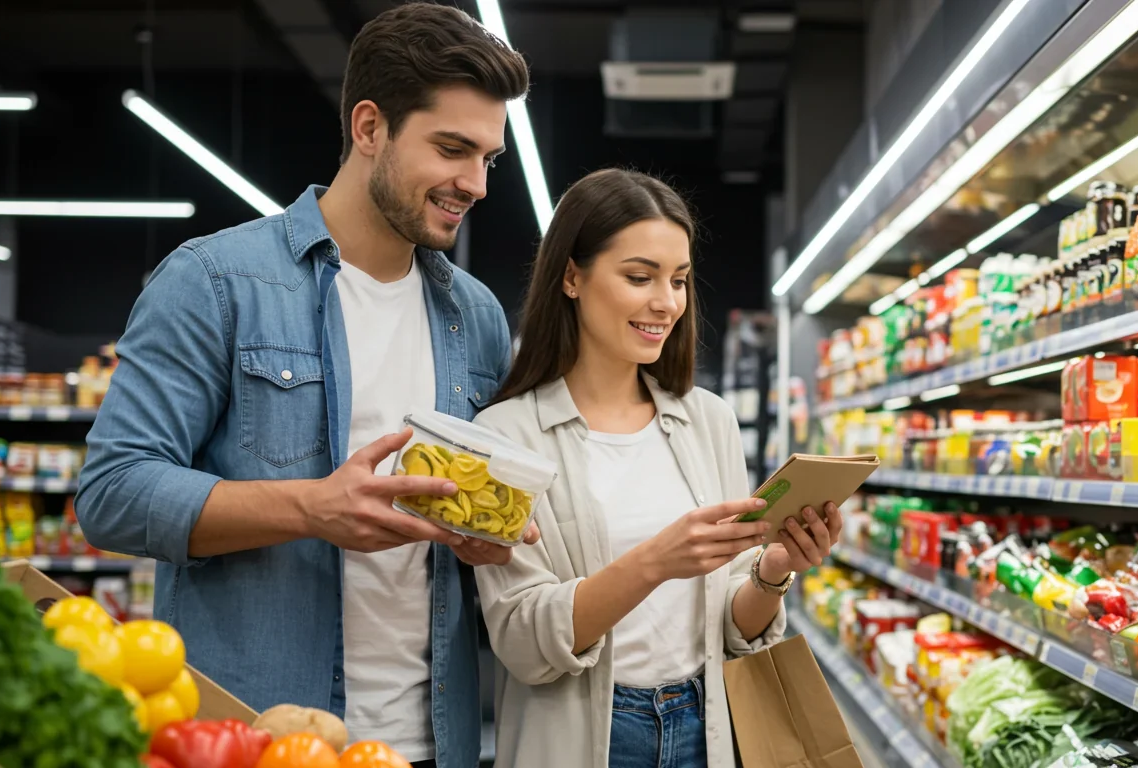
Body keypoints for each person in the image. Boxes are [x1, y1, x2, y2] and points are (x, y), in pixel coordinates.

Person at [74, 4, 532, 766]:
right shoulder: (216, 282)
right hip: (259, 739)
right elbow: (113, 493)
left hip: (435, 742)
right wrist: (311, 509)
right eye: (453, 149)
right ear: (368, 128)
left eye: (489, 158)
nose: (475, 183)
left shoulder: (475, 317)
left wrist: (487, 539)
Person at [472, 169, 844, 768]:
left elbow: (731, 625)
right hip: (587, 739)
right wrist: (655, 562)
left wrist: (774, 569)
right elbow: (521, 639)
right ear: (572, 275)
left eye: (678, 280)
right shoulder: (505, 438)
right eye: (639, 277)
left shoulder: (709, 423)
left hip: (706, 726)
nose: (666, 302)